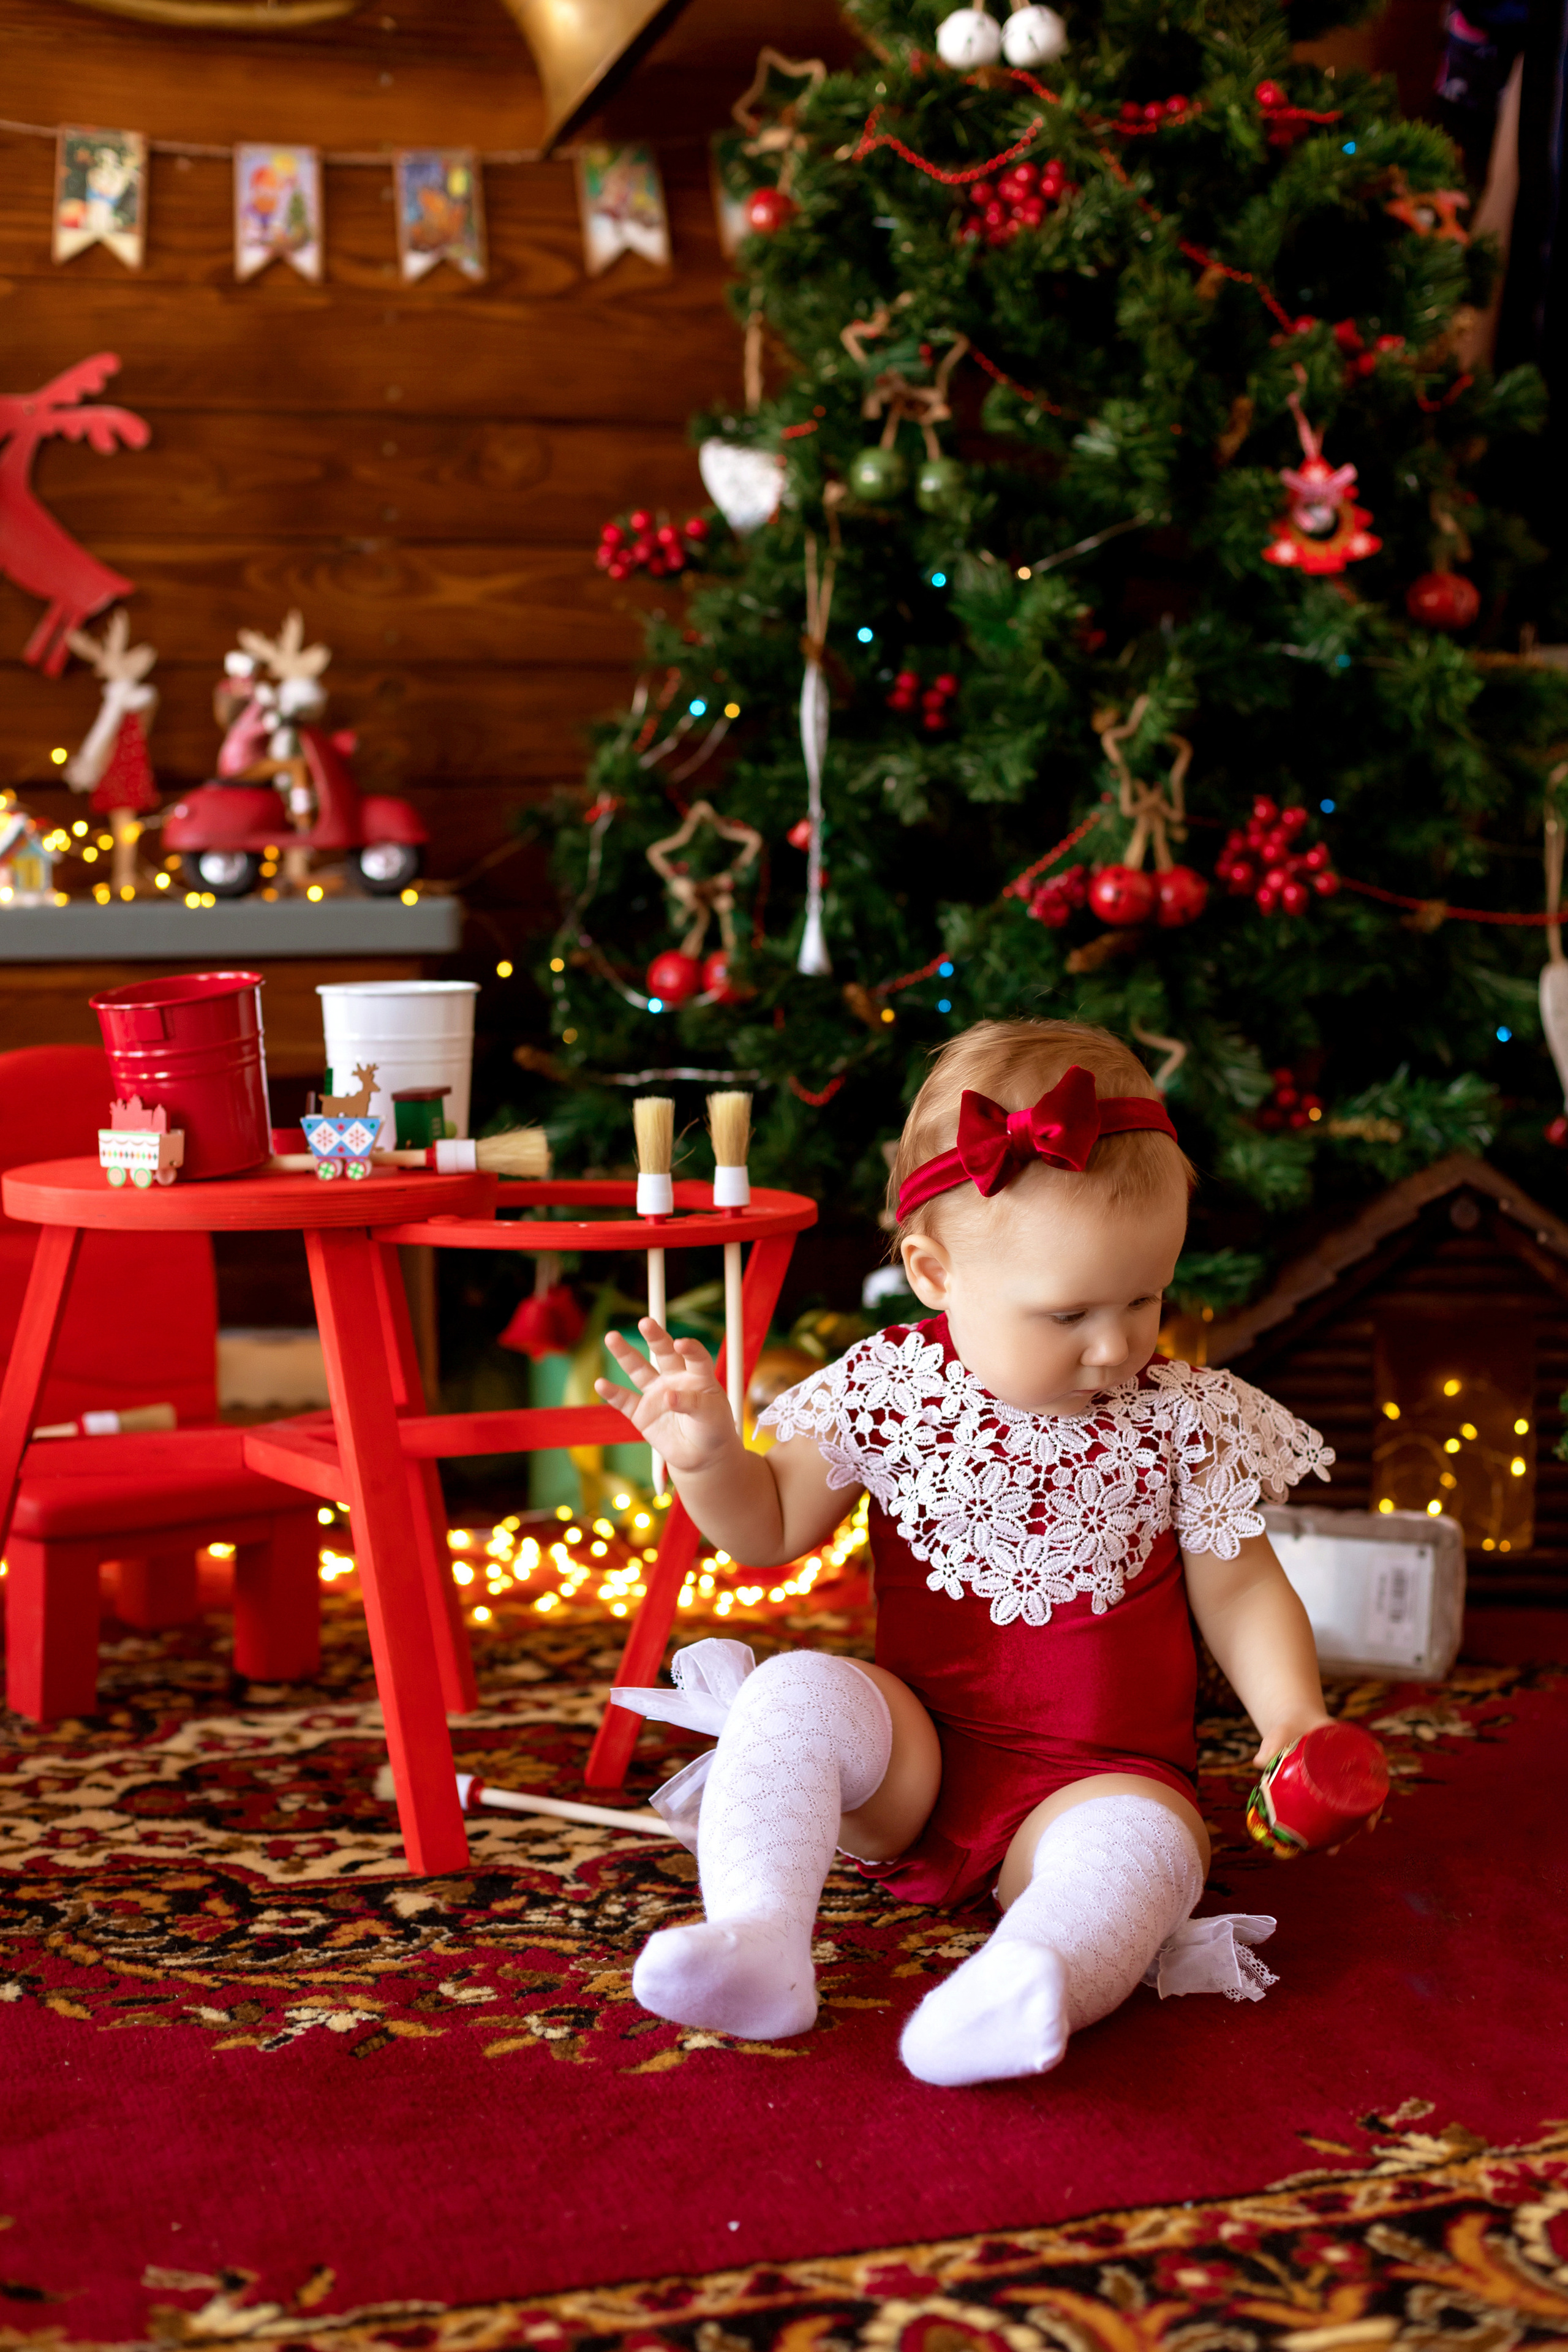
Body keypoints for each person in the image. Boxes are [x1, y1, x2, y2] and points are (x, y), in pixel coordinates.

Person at [595, 1019, 1336, 2086]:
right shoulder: (889, 1388)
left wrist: (1292, 1717)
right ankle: (757, 1938)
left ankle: (1030, 1976)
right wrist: (710, 1456)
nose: (1118, 1344)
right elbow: (766, 1532)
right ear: (934, 1274)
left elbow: (1242, 1587)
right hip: (915, 1760)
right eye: (1069, 1312)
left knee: (1147, 1851)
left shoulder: (1182, 1415)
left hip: (1098, 1779)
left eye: (1145, 1298)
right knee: (794, 1688)